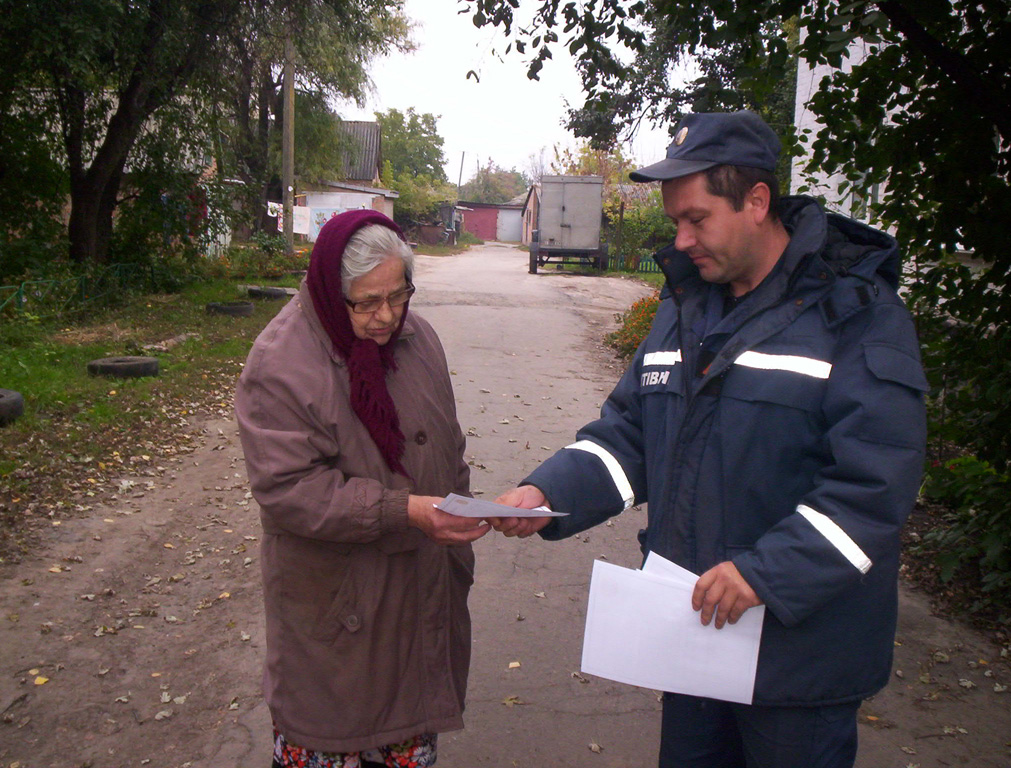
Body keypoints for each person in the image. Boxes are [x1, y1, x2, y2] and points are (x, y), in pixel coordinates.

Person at [492, 110, 928, 767]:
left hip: (798, 666)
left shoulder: (859, 316)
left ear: (757, 201)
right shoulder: (686, 307)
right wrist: (545, 491)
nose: (683, 238)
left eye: (696, 219)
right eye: (676, 222)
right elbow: (631, 434)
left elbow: (875, 487)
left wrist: (763, 574)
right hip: (695, 638)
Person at [235, 209, 490, 768]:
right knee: (333, 735)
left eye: (398, 296)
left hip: (418, 595)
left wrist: (467, 513)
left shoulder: (418, 338)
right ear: (332, 289)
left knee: (408, 733)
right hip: (339, 610)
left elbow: (447, 443)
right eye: (366, 302)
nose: (386, 317)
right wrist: (405, 511)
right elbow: (289, 488)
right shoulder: (281, 361)